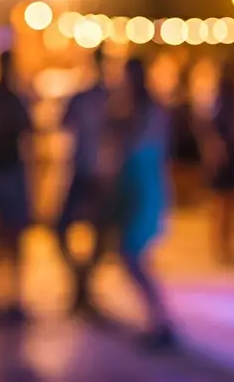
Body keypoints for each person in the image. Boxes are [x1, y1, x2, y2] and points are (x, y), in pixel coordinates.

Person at [111, 57, 177, 349]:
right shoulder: (135, 109)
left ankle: (162, 321)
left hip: (145, 189)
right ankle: (158, 320)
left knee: (133, 256)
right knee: (136, 258)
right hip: (135, 188)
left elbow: (140, 146)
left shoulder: (149, 111)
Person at [55, 48, 109, 316]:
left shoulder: (111, 99)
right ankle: (81, 284)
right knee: (62, 229)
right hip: (86, 172)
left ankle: (82, 285)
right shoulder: (90, 97)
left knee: (100, 236)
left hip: (97, 175)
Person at [0, 50, 34, 325]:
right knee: (10, 241)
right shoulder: (11, 99)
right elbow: (29, 129)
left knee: (1, 240)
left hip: (1, 173)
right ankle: (7, 298)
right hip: (9, 173)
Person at [197, 55, 234, 266]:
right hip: (226, 156)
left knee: (225, 203)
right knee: (224, 203)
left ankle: (224, 246)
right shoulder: (226, 100)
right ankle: (222, 246)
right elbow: (214, 129)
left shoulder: (225, 99)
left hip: (228, 154)